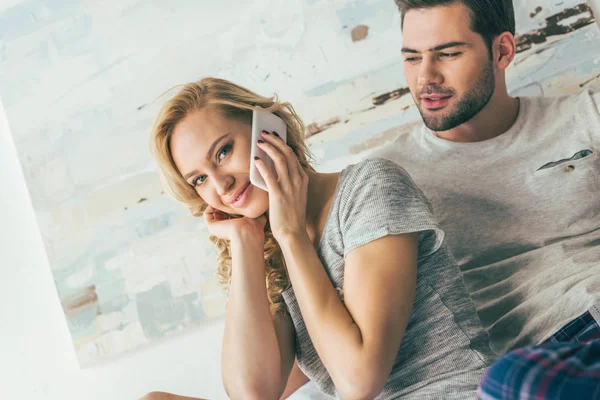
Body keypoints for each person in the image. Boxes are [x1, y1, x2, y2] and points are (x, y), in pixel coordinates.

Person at [143, 77, 496, 400]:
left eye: (223, 152)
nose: (220, 185)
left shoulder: (370, 187)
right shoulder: (270, 251)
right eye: (199, 180)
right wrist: (245, 242)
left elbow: (359, 380)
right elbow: (254, 393)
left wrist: (291, 234)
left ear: (268, 130)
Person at [370, 0, 600, 397]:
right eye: (412, 58)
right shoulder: (385, 178)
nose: (425, 76)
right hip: (532, 367)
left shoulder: (587, 115)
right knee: (510, 382)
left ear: (502, 51)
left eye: (448, 53)